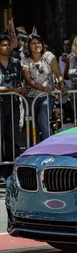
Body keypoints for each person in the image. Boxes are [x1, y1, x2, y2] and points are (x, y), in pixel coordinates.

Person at [21, 34, 67, 141]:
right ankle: (35, 148)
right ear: (28, 45)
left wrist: (62, 85)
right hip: (30, 96)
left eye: (39, 42)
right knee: (32, 123)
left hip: (47, 96)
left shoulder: (49, 56)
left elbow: (58, 73)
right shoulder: (25, 59)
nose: (37, 45)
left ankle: (50, 145)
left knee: (43, 119)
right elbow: (28, 79)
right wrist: (41, 88)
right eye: (33, 43)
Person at [0, 34, 26, 174]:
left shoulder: (16, 62)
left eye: (8, 44)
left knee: (12, 136)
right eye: (4, 45)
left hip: (13, 103)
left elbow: (20, 82)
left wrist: (19, 89)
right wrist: (13, 89)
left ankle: (9, 169)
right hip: (0, 104)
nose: (7, 47)